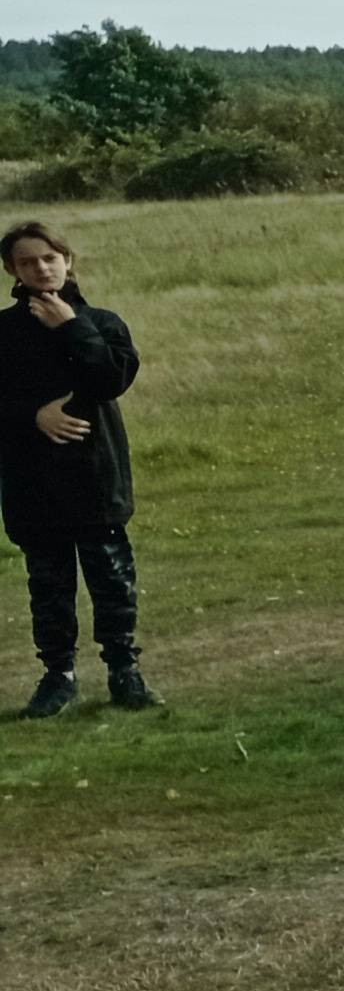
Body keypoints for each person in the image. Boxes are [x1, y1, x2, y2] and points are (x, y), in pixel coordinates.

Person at [3, 221, 150, 719]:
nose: (41, 268)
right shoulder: (4, 332)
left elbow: (110, 379)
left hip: (96, 475)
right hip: (32, 479)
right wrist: (34, 414)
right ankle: (57, 677)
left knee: (111, 578)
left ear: (67, 260)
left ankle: (124, 672)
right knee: (48, 585)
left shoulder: (102, 323)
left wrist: (72, 327)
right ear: (12, 271)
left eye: (49, 258)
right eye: (27, 262)